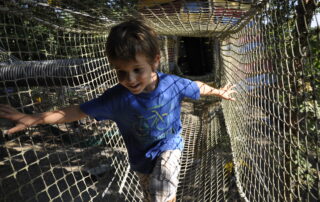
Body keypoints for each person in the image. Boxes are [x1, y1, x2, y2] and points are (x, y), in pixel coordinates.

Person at [0, 19, 236, 202]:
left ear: (155, 61)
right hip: (141, 158)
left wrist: (218, 92)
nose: (130, 79)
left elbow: (196, 86)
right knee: (152, 194)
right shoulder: (116, 98)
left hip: (170, 145)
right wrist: (34, 118)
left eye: (137, 69)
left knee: (162, 187)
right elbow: (74, 111)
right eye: (121, 72)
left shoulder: (172, 84)